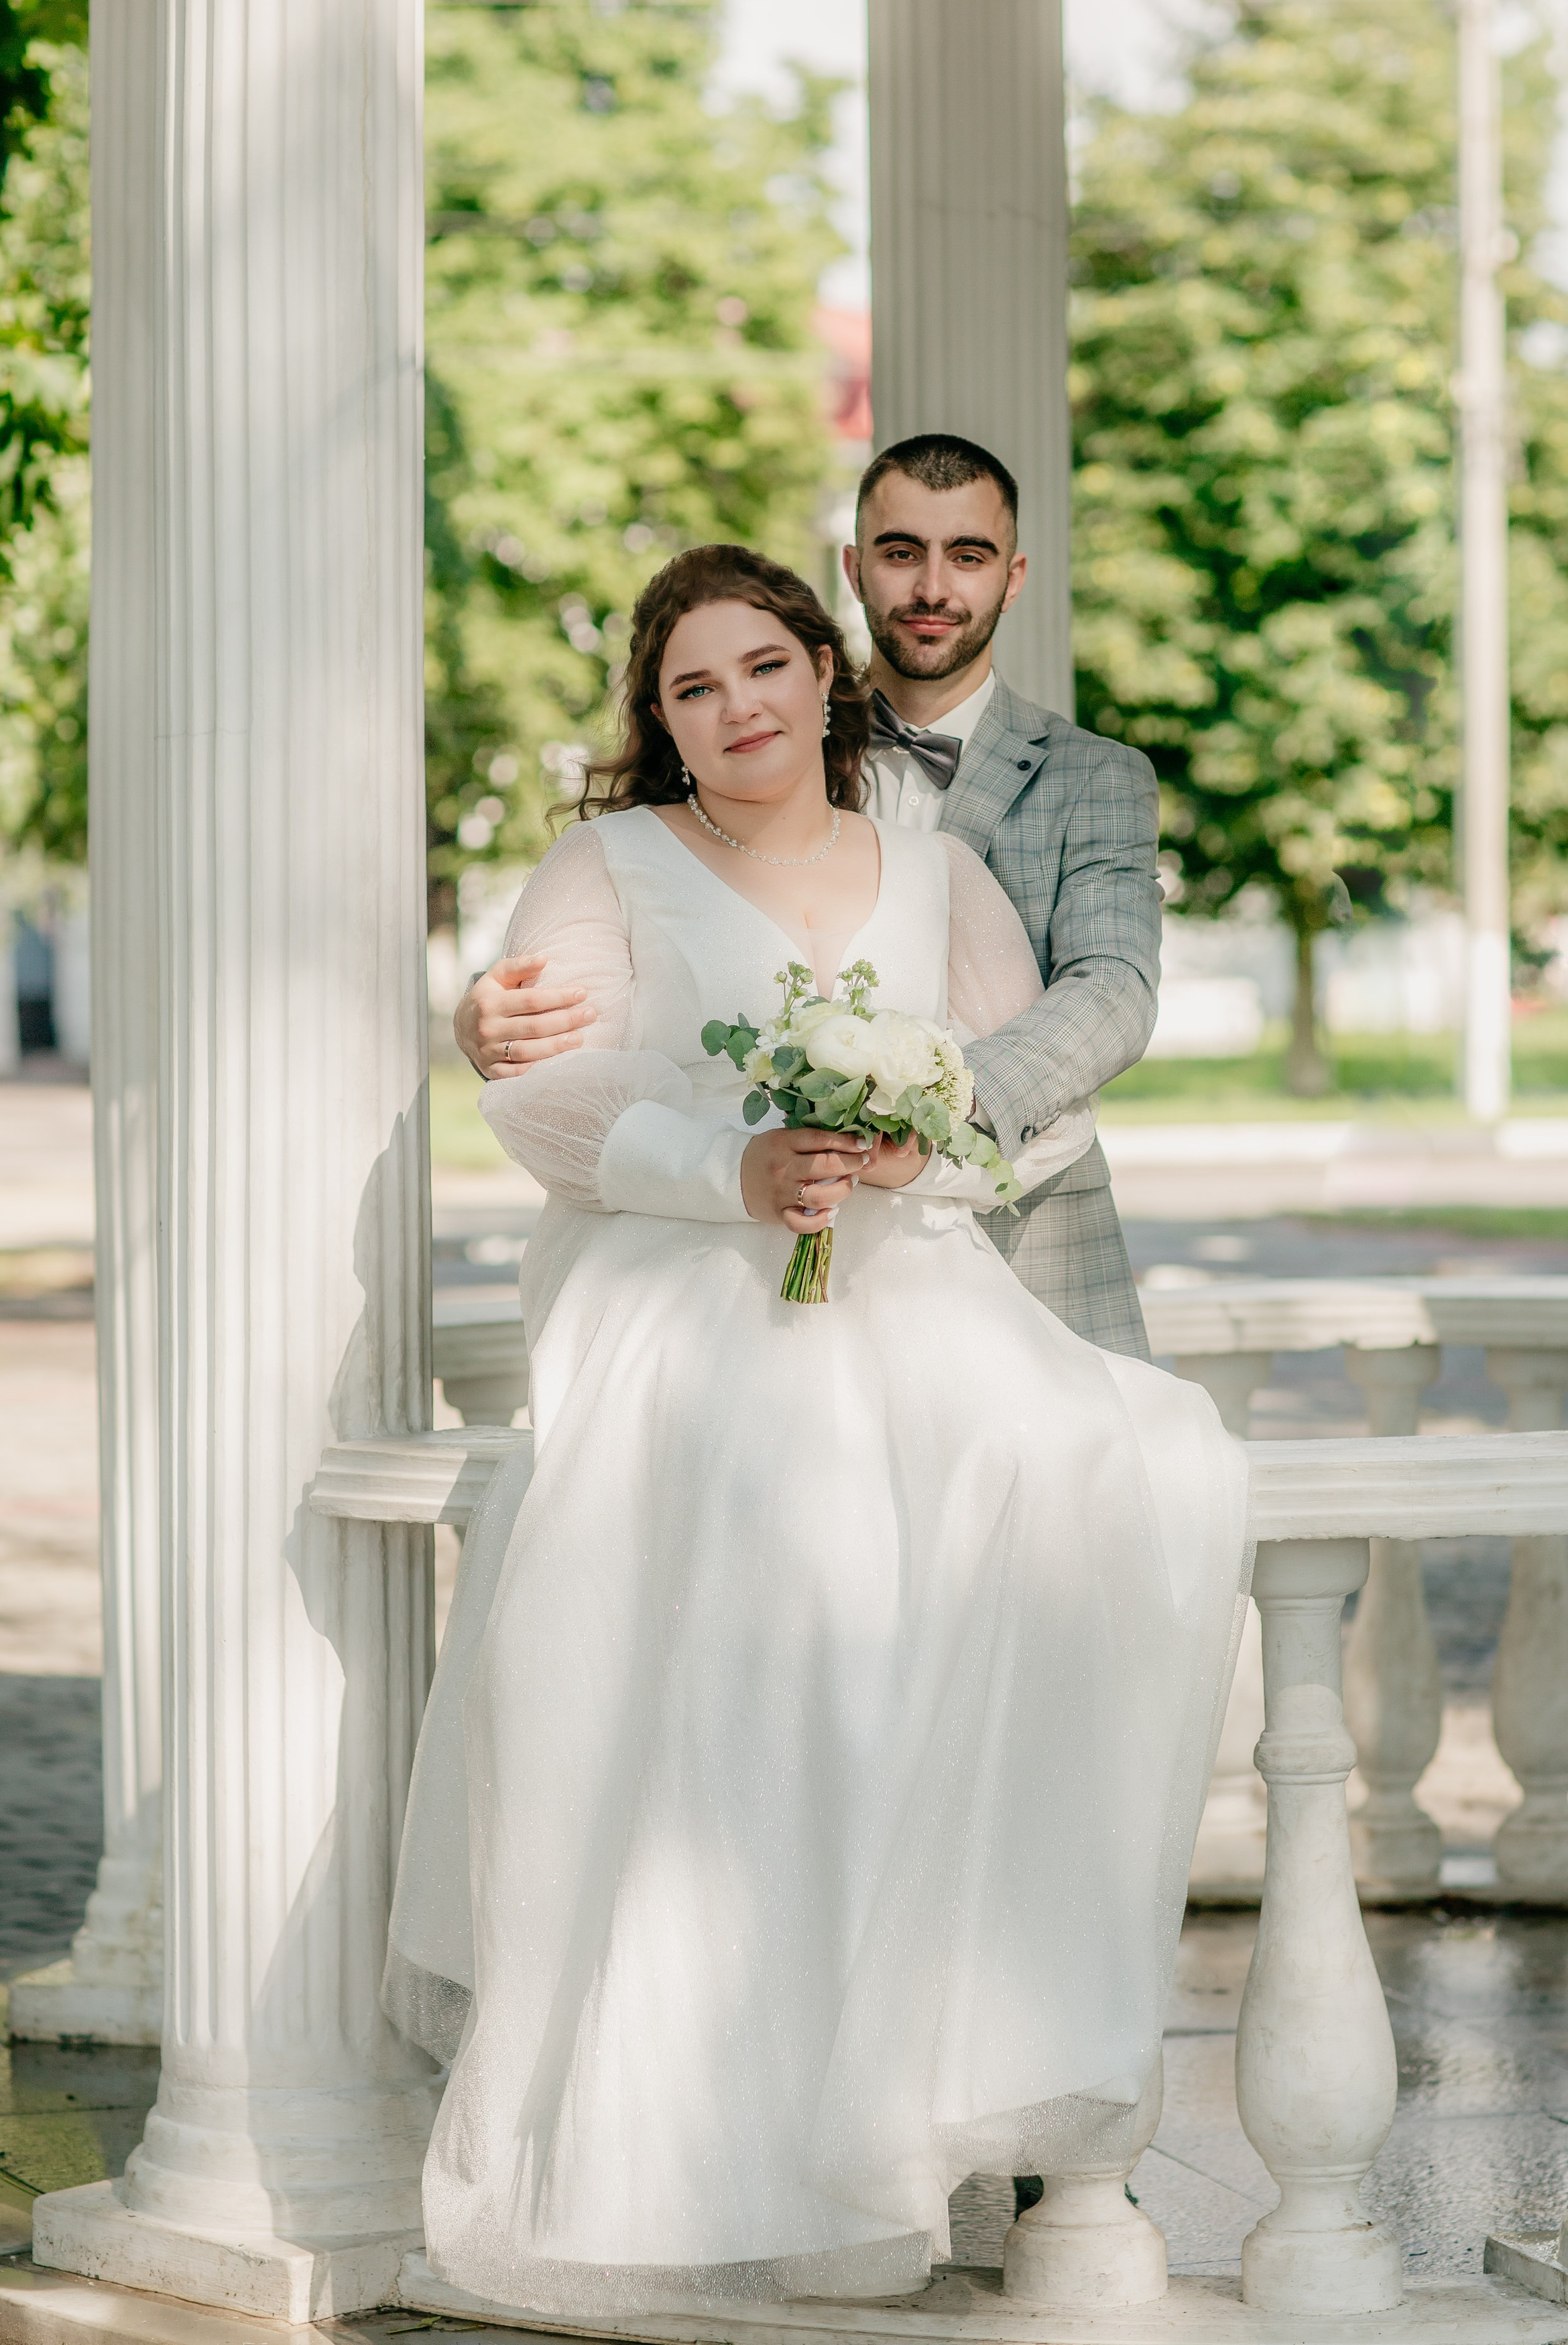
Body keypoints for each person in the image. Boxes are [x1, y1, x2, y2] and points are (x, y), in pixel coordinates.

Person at [387, 544, 1248, 2320]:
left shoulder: (931, 872)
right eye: (692, 688)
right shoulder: (608, 864)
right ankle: (668, 2142)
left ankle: (892, 2087)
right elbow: (541, 1098)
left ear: (821, 670)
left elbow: (1031, 1104)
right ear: (660, 721)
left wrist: (927, 1148)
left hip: (906, 1280)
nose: (737, 708)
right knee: (781, 1542)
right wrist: (734, 1169)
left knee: (1115, 1473)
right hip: (678, 1282)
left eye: (763, 666)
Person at [455, 433, 1159, 1358]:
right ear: (854, 569)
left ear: (1012, 575)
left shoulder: (1089, 778)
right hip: (708, 1293)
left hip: (1003, 1254)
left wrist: (936, 1120)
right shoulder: (754, 745)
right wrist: (490, 1022)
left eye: (968, 555)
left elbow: (1113, 990)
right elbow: (614, 973)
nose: (933, 588)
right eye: (901, 552)